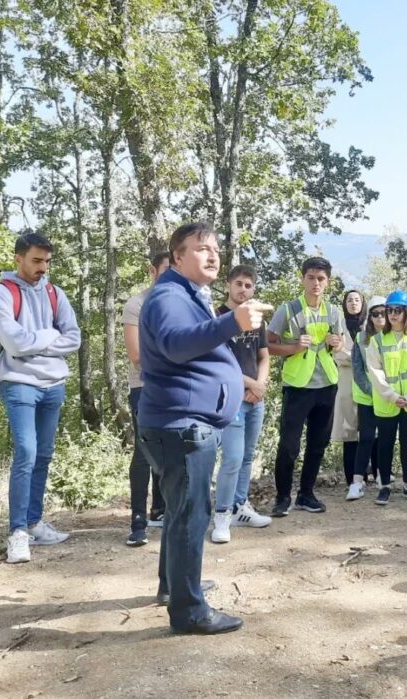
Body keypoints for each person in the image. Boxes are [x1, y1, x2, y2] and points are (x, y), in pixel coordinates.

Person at [137, 221, 272, 634]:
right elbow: (177, 345)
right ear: (177, 257)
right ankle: (190, 611)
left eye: (215, 248)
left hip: (181, 425)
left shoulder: (188, 295)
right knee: (192, 516)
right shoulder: (168, 297)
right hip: (181, 426)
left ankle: (175, 587)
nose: (212, 255)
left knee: (180, 512)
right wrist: (233, 322)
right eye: (200, 248)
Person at [0, 232, 82, 564]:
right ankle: (17, 533)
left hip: (53, 384)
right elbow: (14, 344)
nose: (43, 267)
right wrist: (48, 335)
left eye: (47, 261)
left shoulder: (56, 294)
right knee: (26, 452)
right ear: (19, 259)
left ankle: (33, 522)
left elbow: (74, 339)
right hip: (18, 383)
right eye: (36, 261)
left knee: (43, 454)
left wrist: (36, 340)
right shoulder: (2, 293)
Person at [267, 257, 344, 516]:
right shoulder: (287, 310)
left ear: (328, 282)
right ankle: (282, 497)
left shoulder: (334, 311)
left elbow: (341, 344)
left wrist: (337, 343)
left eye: (321, 279)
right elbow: (267, 344)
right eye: (311, 278)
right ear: (302, 279)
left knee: (318, 443)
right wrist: (294, 347)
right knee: (289, 445)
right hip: (297, 385)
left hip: (327, 385)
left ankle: (306, 494)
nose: (315, 283)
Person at [210, 265, 272, 544]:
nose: (243, 289)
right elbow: (218, 363)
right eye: (238, 284)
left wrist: (260, 385)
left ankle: (240, 507)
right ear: (228, 285)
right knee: (232, 458)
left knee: (247, 456)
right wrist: (251, 384)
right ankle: (221, 514)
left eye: (248, 285)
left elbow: (265, 356)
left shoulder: (256, 319)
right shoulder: (217, 318)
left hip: (254, 398)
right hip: (230, 397)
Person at [365, 291, 407, 505]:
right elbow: (374, 371)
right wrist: (392, 395)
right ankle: (384, 486)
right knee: (385, 443)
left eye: (397, 310)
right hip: (388, 402)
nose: (392, 315)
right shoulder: (377, 341)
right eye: (389, 311)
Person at [121, 251, 171, 547]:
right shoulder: (136, 304)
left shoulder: (178, 303)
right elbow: (137, 355)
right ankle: (137, 521)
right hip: (144, 387)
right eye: (165, 270)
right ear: (153, 271)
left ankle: (160, 510)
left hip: (172, 388)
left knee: (166, 450)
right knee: (143, 452)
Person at [347, 295, 386, 500]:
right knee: (367, 438)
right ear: (369, 316)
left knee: (385, 438)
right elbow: (357, 367)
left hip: (388, 397)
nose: (380, 318)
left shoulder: (393, 337)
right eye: (375, 314)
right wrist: (372, 390)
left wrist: (386, 391)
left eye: (383, 313)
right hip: (367, 396)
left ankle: (383, 475)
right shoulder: (361, 338)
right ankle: (357, 482)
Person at [334, 289, 366, 488]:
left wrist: (350, 356)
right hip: (345, 384)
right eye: (349, 300)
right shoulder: (339, 325)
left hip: (368, 384)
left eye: (357, 300)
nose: (353, 303)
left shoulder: (369, 325)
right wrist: (357, 358)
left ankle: (371, 474)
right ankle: (351, 478)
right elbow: (336, 354)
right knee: (349, 433)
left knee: (371, 431)